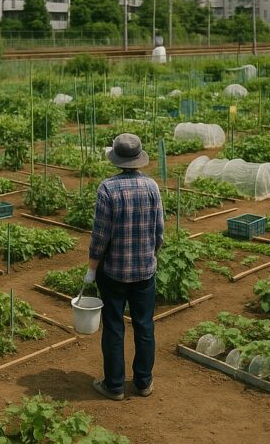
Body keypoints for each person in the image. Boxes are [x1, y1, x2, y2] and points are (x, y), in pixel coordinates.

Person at [85, 133, 163, 401]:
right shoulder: (152, 187)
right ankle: (143, 383)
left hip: (114, 273)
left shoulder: (107, 189)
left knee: (114, 326)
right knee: (145, 326)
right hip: (145, 272)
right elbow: (159, 232)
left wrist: (92, 268)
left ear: (116, 159)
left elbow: (100, 236)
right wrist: (148, 256)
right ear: (139, 158)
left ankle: (115, 385)